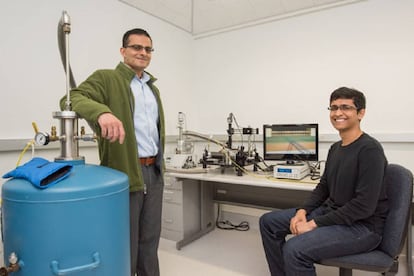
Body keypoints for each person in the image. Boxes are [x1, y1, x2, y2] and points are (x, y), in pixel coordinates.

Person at [60, 28, 165, 276]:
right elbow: (72, 97)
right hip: (124, 172)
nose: (143, 53)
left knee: (150, 240)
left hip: (154, 171)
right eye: (136, 47)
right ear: (123, 51)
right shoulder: (107, 78)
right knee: (124, 241)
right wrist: (102, 112)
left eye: (148, 49)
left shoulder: (152, 89)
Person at [259, 87, 388, 276]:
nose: (338, 113)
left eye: (346, 107)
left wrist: (312, 224)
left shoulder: (370, 150)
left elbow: (363, 207)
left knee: (295, 249)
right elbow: (324, 187)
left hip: (362, 227)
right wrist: (303, 212)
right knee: (268, 222)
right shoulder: (336, 148)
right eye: (333, 108)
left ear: (361, 113)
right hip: (333, 214)